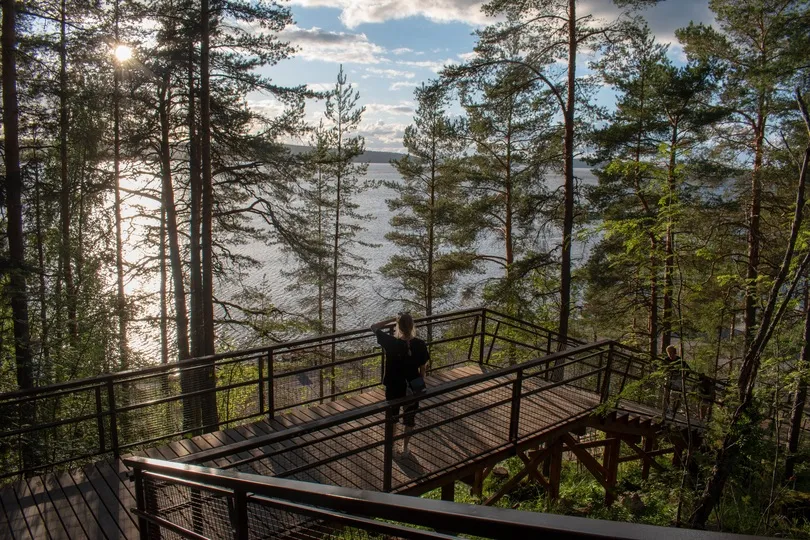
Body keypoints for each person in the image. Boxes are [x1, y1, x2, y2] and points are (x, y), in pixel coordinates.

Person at [371, 312, 429, 456]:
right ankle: (404, 448)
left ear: (399, 326)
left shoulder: (391, 342)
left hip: (394, 385)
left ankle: (391, 447)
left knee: (392, 418)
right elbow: (422, 369)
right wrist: (419, 385)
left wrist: (392, 318)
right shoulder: (420, 344)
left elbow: (373, 327)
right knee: (409, 419)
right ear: (412, 326)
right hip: (412, 386)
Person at [663, 345, 691, 417]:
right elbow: (662, 369)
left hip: (677, 378)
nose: (669, 354)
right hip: (669, 377)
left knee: (675, 395)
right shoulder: (666, 360)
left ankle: (673, 409)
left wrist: (684, 377)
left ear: (674, 352)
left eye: (670, 352)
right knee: (666, 394)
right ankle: (666, 409)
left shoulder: (679, 361)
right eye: (668, 352)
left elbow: (688, 369)